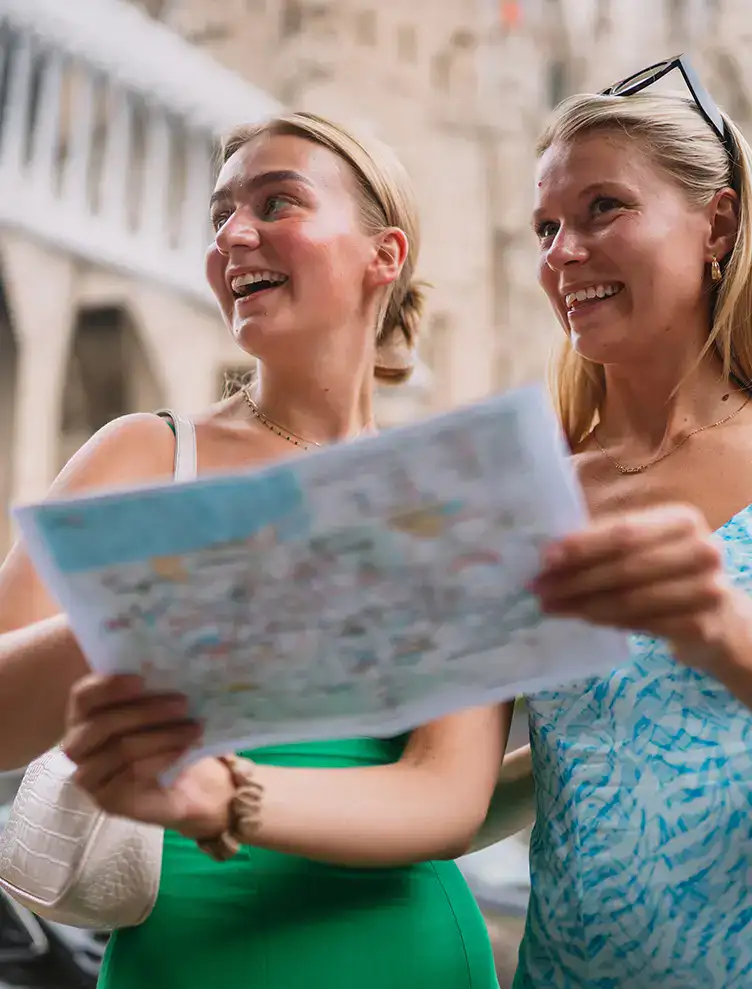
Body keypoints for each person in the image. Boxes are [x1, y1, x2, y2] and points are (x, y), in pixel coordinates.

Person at [0, 112, 504, 989]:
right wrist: (172, 604)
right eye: (221, 213)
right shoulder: (145, 453)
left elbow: (447, 798)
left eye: (277, 202)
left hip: (403, 947)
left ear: (382, 255)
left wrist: (229, 797)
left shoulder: (448, 496)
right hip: (187, 952)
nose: (234, 234)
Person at [512, 57, 752, 987]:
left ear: (717, 223)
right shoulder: (533, 498)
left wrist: (721, 632)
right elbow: (448, 784)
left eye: (604, 208)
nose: (562, 253)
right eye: (546, 227)